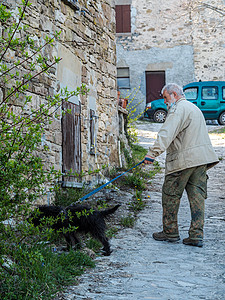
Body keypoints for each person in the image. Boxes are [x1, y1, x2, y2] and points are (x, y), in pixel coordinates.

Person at [144, 83, 219, 247]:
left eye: (165, 97)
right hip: (200, 160)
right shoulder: (194, 108)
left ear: (174, 95)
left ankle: (170, 232)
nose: (164, 102)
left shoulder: (178, 109)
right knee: (197, 198)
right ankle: (196, 235)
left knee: (170, 195)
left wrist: (152, 153)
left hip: (183, 161)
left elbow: (167, 132)